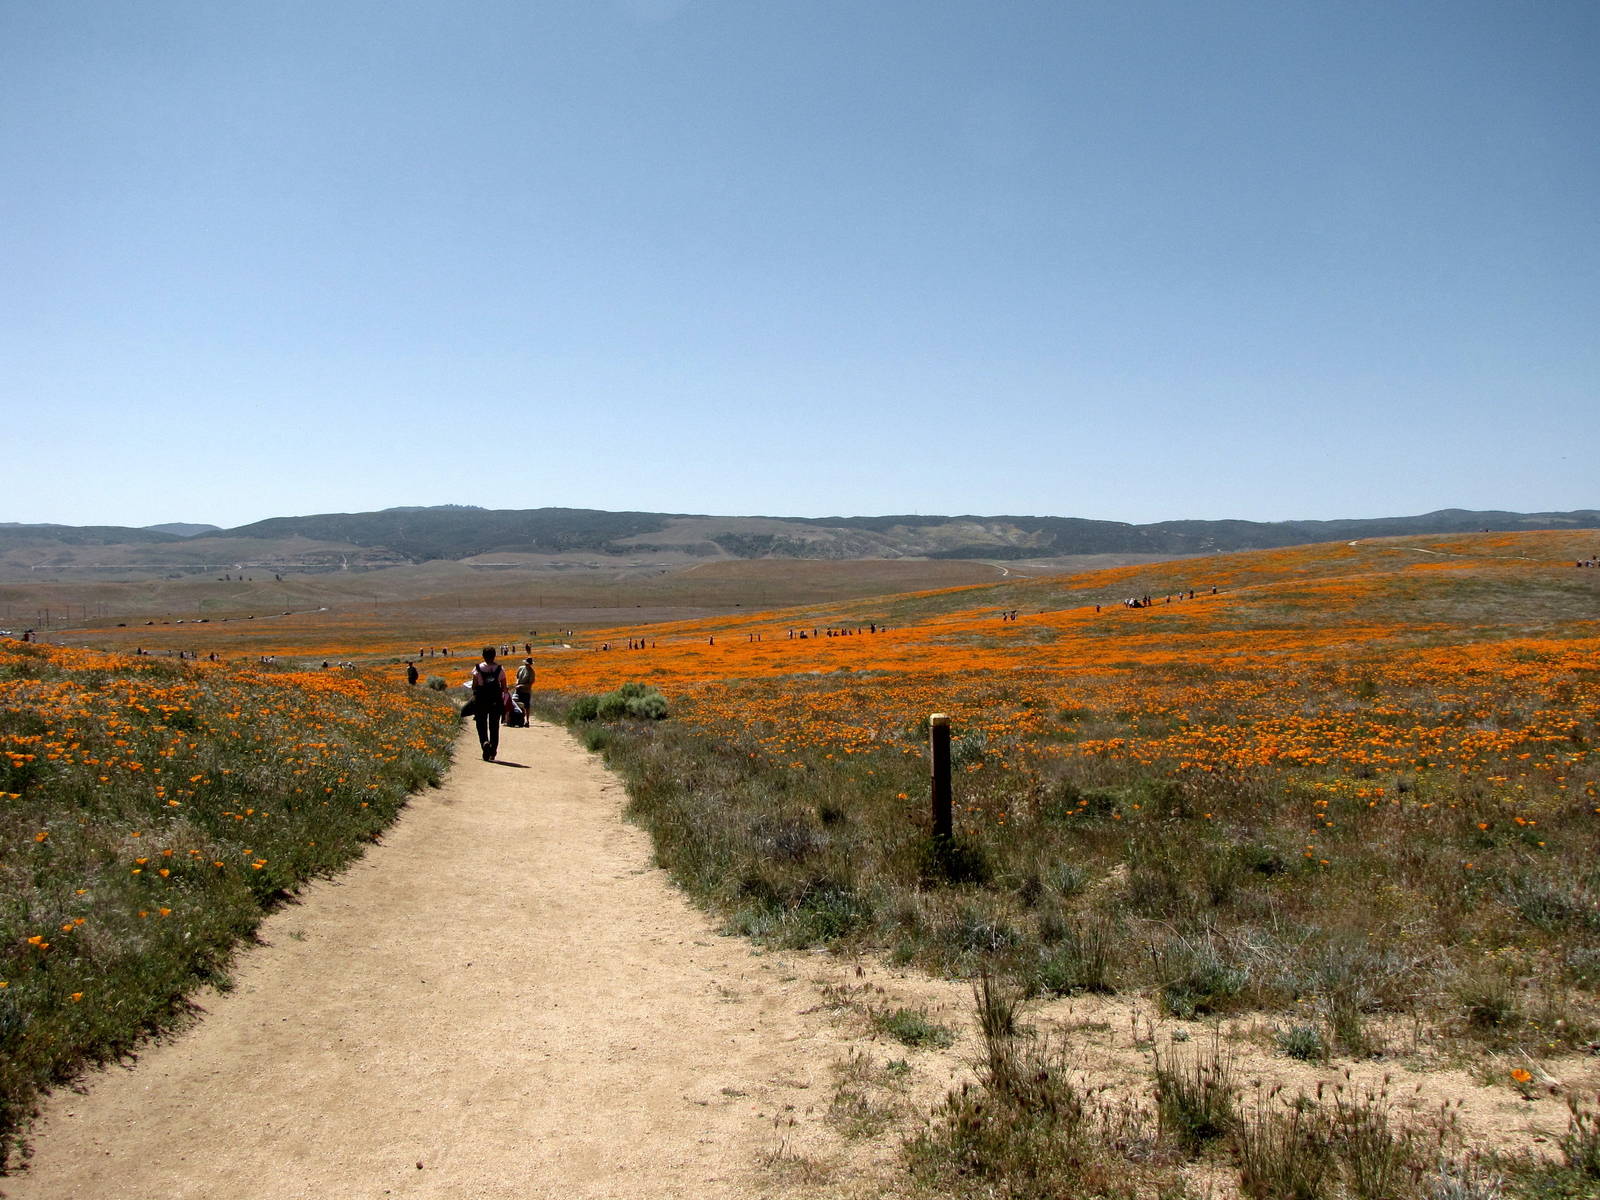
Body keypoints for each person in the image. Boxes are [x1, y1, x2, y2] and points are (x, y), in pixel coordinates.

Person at [471, 647, 505, 761]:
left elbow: (474, 686)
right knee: (494, 726)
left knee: (481, 723)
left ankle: (484, 742)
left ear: (483, 656)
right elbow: (504, 688)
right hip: (495, 700)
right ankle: (493, 750)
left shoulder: (477, 668)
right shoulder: (500, 669)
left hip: (481, 700)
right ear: (494, 655)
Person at [514, 656, 535, 721]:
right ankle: (518, 718)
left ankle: (527, 720)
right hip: (518, 690)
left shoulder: (532, 672)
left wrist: (521, 686)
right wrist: (517, 682)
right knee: (516, 704)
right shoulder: (521, 668)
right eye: (526, 663)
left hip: (526, 691)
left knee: (526, 706)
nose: (526, 664)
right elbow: (517, 676)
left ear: (530, 664)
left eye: (527, 663)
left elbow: (530, 684)